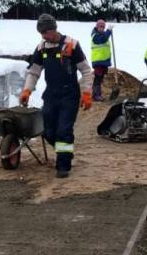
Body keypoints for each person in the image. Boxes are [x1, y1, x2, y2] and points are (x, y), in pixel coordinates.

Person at [20, 14, 93, 178]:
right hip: (51, 94)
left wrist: (87, 93)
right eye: (42, 33)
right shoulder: (42, 48)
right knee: (47, 130)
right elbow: (34, 71)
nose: (45, 36)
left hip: (70, 94)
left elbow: (86, 71)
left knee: (64, 130)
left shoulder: (71, 45)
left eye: (47, 32)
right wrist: (27, 90)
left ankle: (63, 165)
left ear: (54, 28)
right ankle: (65, 152)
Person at [90, 19, 113, 101]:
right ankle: (96, 95)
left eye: (103, 27)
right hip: (98, 61)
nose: (102, 28)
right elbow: (102, 39)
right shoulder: (95, 36)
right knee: (98, 78)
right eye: (100, 27)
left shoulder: (103, 34)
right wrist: (109, 31)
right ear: (97, 27)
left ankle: (98, 93)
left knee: (101, 78)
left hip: (103, 61)